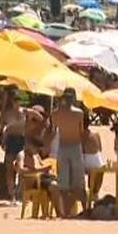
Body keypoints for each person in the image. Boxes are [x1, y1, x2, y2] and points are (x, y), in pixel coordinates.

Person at [51, 88, 85, 217]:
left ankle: (65, 211)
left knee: (64, 181)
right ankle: (80, 208)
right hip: (74, 145)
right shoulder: (79, 113)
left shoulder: (55, 114)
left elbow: (54, 130)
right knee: (78, 180)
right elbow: (80, 131)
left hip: (64, 146)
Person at [14, 138, 64, 218]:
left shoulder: (36, 155)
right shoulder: (22, 155)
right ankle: (59, 213)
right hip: (32, 180)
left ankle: (58, 212)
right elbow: (20, 170)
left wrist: (46, 169)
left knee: (61, 184)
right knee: (54, 186)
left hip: (42, 178)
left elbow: (41, 165)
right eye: (35, 148)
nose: (37, 150)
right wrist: (37, 170)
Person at [0, 92, 27, 205]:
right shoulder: (7, 114)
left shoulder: (25, 112)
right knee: (9, 169)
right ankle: (12, 195)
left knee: (20, 165)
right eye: (15, 100)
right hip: (10, 140)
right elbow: (2, 128)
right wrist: (3, 140)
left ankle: (19, 193)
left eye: (19, 100)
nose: (17, 103)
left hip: (21, 140)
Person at [82, 116, 106, 202]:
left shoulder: (79, 136)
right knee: (100, 167)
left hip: (87, 162)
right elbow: (100, 149)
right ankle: (94, 192)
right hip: (97, 162)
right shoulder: (96, 135)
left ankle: (92, 192)